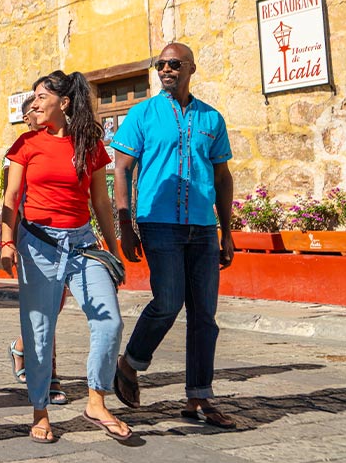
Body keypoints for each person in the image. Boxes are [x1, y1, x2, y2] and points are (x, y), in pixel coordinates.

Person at [0, 71, 128, 444]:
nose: (34, 104)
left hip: (83, 243)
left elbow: (100, 202)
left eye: (41, 97)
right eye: (33, 98)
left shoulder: (90, 144)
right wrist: (7, 242)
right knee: (39, 331)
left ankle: (96, 402)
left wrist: (113, 251)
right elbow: (11, 199)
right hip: (37, 244)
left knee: (110, 322)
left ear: (64, 102)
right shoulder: (26, 144)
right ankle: (40, 411)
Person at [112, 43, 237, 428]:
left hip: (202, 226)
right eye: (160, 64)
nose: (166, 69)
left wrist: (227, 231)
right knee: (167, 300)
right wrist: (125, 225)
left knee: (205, 313)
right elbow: (122, 169)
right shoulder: (143, 114)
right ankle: (130, 362)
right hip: (158, 222)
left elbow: (221, 176)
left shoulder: (211, 119)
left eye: (174, 64)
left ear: (191, 69)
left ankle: (199, 396)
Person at [3, 95, 68, 406]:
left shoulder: (59, 145)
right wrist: (8, 240)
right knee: (43, 306)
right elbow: (10, 198)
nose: (31, 116)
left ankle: (21, 347)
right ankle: (51, 375)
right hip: (27, 234)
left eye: (34, 109)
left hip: (62, 236)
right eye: (29, 112)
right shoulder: (20, 149)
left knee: (54, 305)